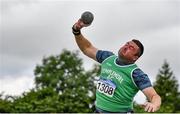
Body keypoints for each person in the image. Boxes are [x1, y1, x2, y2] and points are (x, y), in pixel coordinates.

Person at [72, 19, 161, 113]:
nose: (126, 47)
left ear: (135, 57)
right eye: (127, 44)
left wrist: (154, 104)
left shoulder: (136, 74)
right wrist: (76, 31)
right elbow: (87, 48)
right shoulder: (108, 58)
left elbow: (154, 96)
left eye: (131, 48)